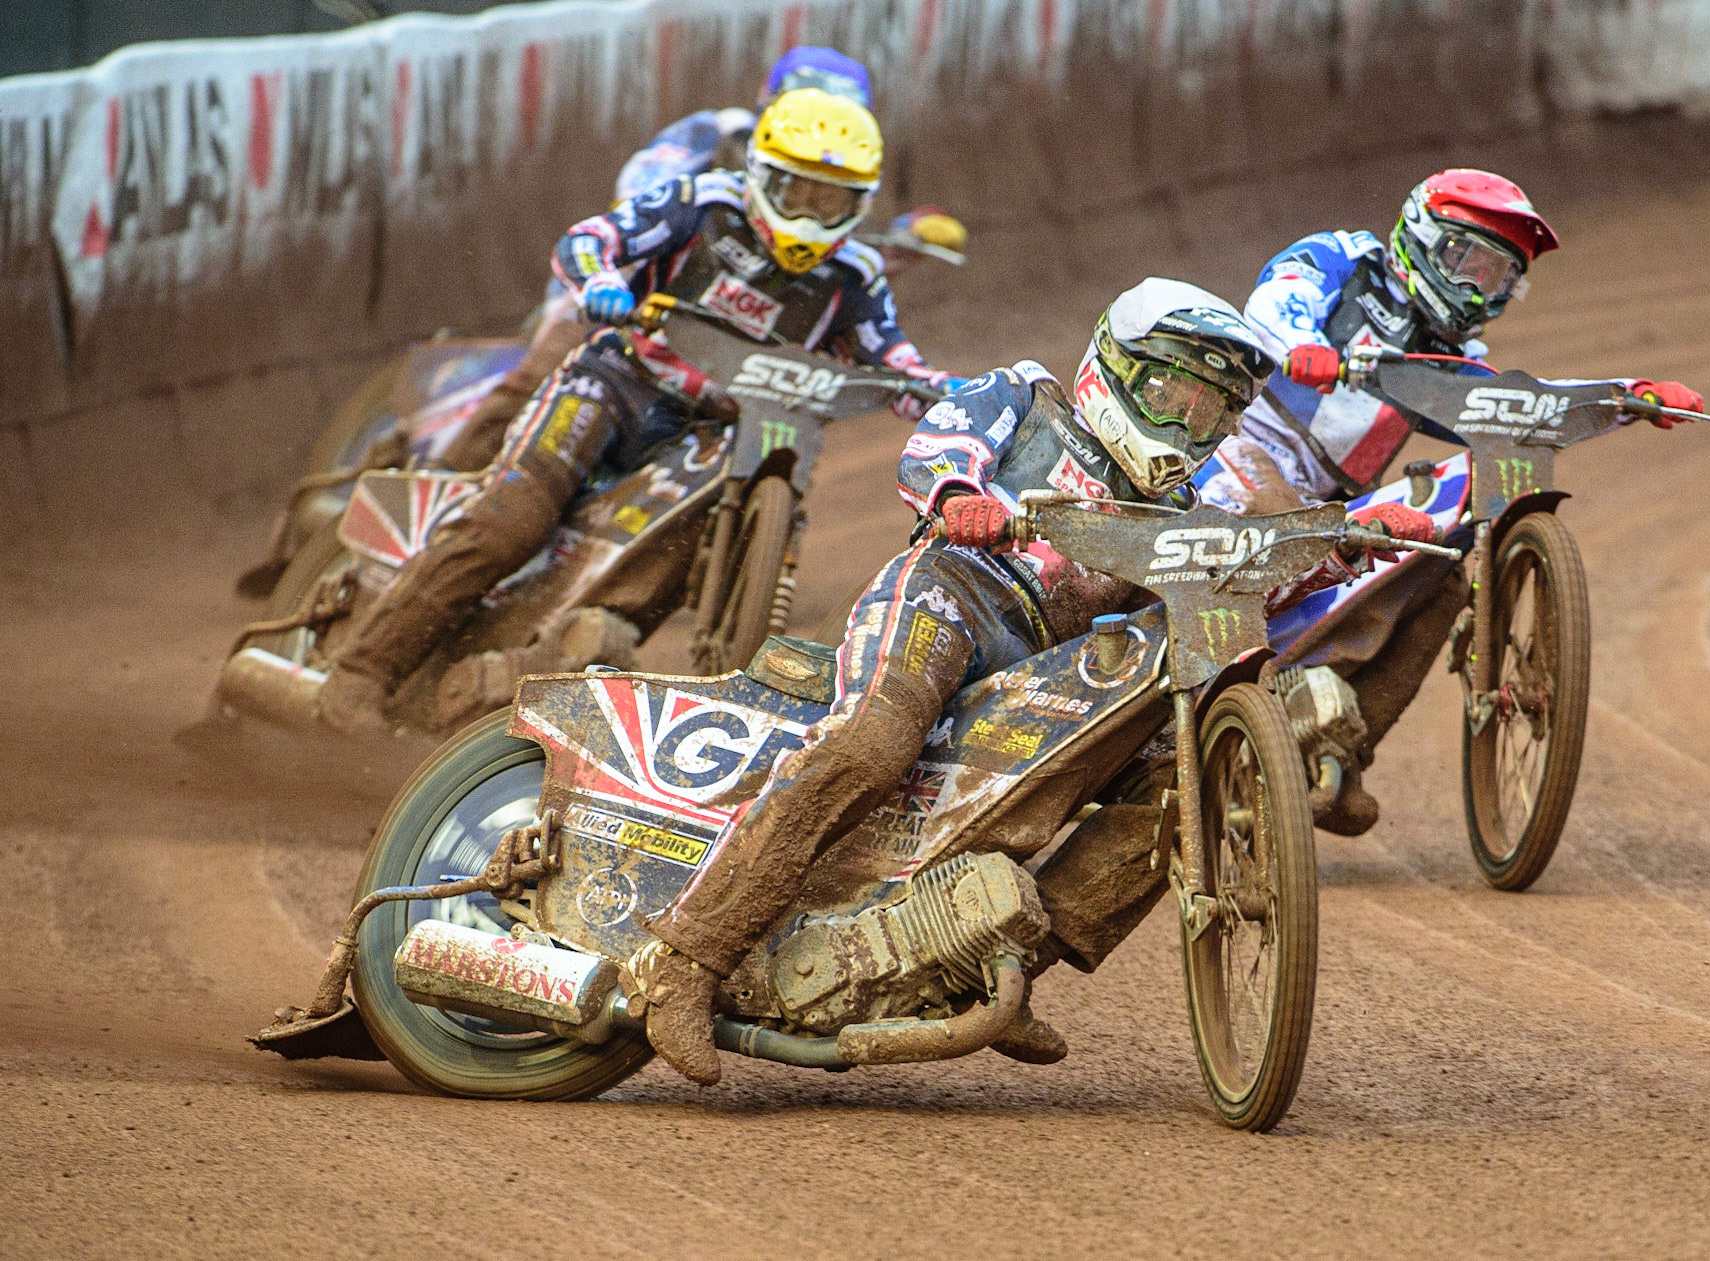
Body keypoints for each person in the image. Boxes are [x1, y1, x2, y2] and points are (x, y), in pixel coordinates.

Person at [625, 277, 1395, 1086]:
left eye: (1208, 411)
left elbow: (1246, 578)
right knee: (872, 742)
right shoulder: (1026, 396)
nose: (1184, 424)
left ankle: (998, 961)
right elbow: (937, 443)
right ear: (1116, 368)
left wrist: (1347, 547)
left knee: (1180, 780)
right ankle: (684, 959)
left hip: (1052, 665)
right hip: (953, 592)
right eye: (1170, 394)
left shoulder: (1184, 508)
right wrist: (960, 494)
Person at [317, 88, 951, 733]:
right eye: (799, 194)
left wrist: (929, 388)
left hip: (721, 428)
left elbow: (889, 354)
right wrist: (603, 281)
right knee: (515, 516)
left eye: (832, 201)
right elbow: (592, 238)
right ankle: (363, 671)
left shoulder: (856, 274)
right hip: (619, 382)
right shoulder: (702, 204)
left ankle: (547, 661)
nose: (812, 218)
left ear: (860, 204)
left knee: (676, 549)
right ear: (763, 175)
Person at [1194, 169, 1706, 833]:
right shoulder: (1339, 261)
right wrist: (1304, 350)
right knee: (1276, 503)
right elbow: (1274, 304)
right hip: (1232, 450)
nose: (1473, 289)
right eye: (1465, 261)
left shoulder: (1452, 354)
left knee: (1436, 577)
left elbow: (1520, 401)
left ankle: (1329, 760)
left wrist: (1626, 397)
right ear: (1421, 239)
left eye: (1495, 280)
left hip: (1325, 505)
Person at [436, 47, 880, 472]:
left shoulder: (837, 175)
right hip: (627, 286)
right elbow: (639, 190)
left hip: (723, 322)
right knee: (545, 372)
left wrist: (906, 237)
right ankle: (443, 480)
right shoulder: (718, 133)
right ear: (772, 99)